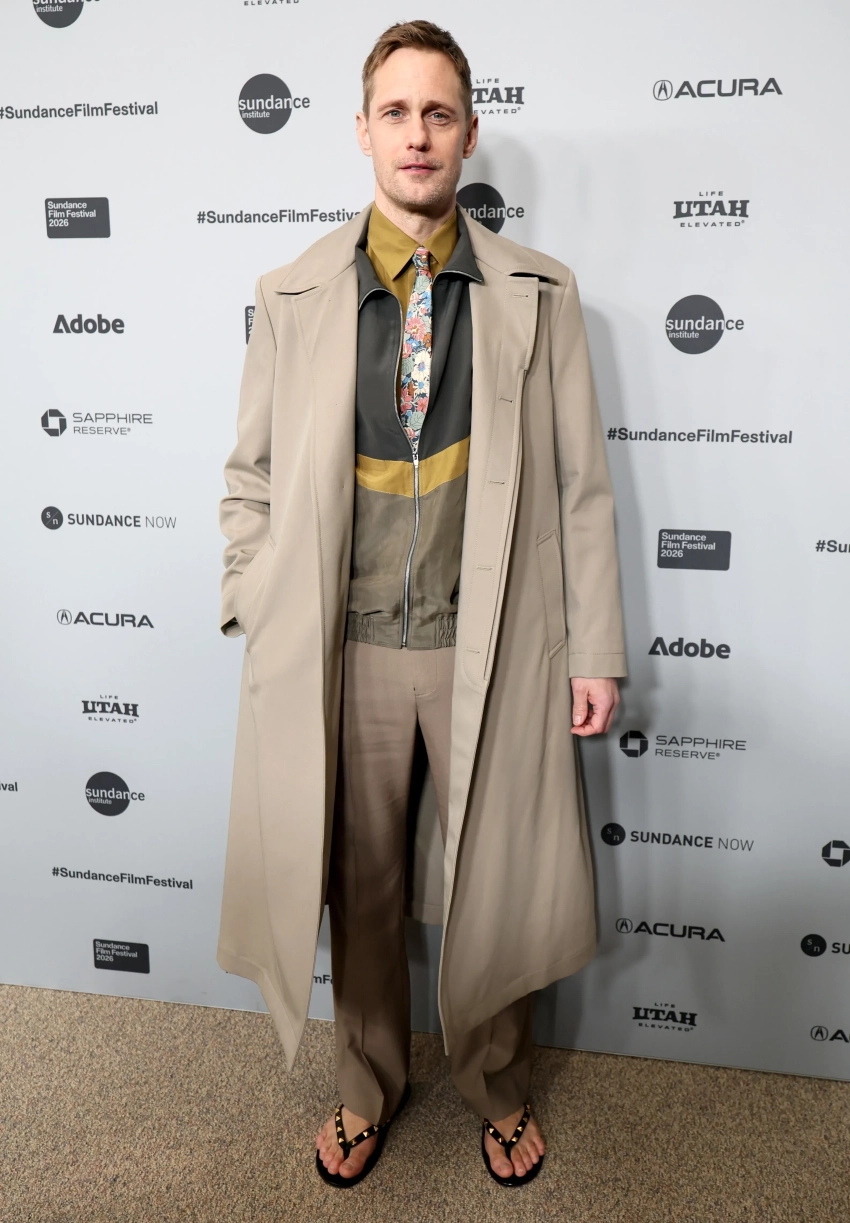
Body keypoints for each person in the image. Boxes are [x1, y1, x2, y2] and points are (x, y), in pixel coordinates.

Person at [218, 19, 625, 1189]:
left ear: (468, 132)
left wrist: (592, 646)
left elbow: (581, 487)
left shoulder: (541, 295)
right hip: (343, 651)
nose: (416, 134)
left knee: (494, 880)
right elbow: (248, 474)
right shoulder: (291, 293)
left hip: (488, 646)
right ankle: (364, 1085)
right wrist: (256, 596)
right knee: (364, 887)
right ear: (361, 131)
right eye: (394, 112)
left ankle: (496, 1083)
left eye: (437, 113)